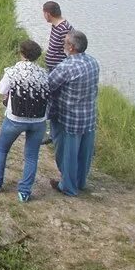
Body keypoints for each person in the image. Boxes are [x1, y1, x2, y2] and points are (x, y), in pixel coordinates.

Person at [0, 39, 50, 202]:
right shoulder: (44, 73)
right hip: (38, 120)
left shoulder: (13, 71)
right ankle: (24, 192)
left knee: (2, 149)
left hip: (15, 118)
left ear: (21, 53)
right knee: (31, 156)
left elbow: (2, 89)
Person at [48, 30, 100, 196]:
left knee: (67, 153)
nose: (63, 45)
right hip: (89, 115)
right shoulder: (93, 62)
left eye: (65, 42)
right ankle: (81, 182)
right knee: (85, 152)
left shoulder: (66, 67)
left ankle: (68, 186)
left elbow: (49, 85)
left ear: (71, 47)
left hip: (69, 117)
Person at [43, 1, 73, 71]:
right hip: (52, 68)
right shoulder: (55, 25)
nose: (44, 16)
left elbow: (71, 50)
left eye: (44, 13)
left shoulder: (64, 29)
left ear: (48, 14)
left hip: (60, 70)